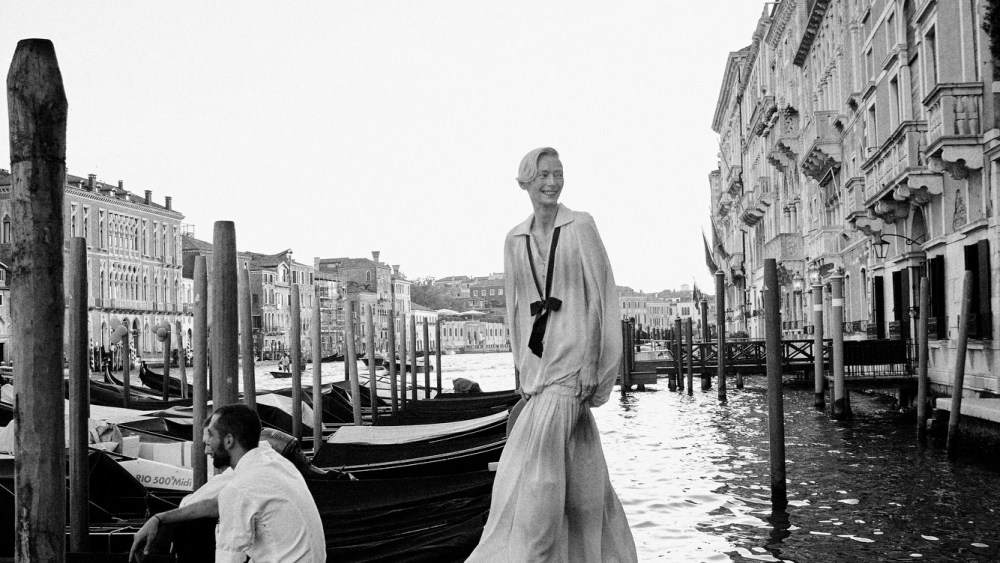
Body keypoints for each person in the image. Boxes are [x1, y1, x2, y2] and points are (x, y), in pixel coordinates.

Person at [466, 147, 637, 562]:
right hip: (539, 376)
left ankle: (526, 556)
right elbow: (513, 307)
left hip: (573, 372)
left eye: (558, 174)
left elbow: (602, 297)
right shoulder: (514, 239)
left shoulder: (581, 226)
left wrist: (597, 369)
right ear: (526, 181)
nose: (552, 182)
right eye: (543, 174)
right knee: (585, 490)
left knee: (529, 485)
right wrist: (522, 374)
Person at [129, 403, 326, 562]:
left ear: (229, 440)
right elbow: (217, 503)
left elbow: (228, 557)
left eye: (210, 441)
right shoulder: (271, 460)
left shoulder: (241, 488)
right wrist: (160, 518)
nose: (207, 451)